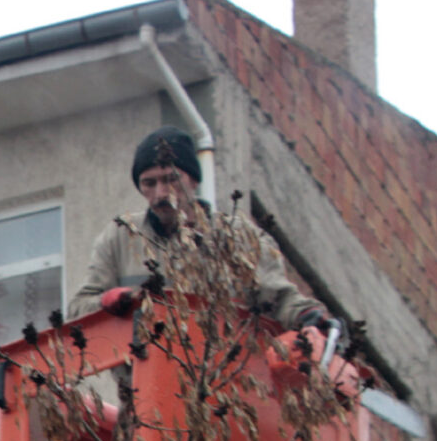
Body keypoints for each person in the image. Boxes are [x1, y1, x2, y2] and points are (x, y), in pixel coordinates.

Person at [67, 126, 329, 331]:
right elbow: (77, 309)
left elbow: (279, 299)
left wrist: (309, 317)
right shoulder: (119, 237)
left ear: (193, 179)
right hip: (144, 387)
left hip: (226, 385)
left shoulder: (239, 237)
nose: (161, 193)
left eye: (171, 179)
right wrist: (108, 301)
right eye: (149, 183)